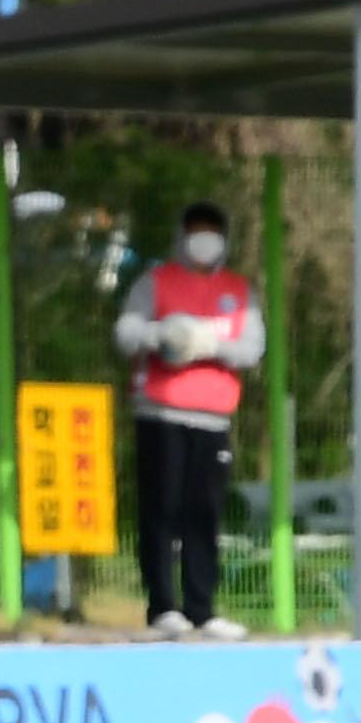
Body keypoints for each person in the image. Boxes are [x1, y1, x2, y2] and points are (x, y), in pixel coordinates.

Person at [113, 198, 264, 639]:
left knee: (205, 514)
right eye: (196, 230)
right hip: (161, 412)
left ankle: (203, 607)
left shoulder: (238, 291)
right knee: (162, 509)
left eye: (212, 231)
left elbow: (252, 347)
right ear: (182, 235)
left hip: (213, 419)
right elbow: (126, 332)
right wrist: (164, 336)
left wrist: (208, 344)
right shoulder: (156, 281)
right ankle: (162, 605)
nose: (204, 240)